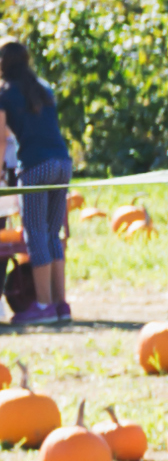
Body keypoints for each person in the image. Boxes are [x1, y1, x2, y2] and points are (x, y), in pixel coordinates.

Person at [1, 43, 69, 329]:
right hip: (62, 163)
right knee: (54, 233)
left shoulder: (4, 93)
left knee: (36, 234)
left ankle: (42, 305)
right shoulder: (43, 88)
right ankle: (60, 304)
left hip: (36, 167)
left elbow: (2, 139)